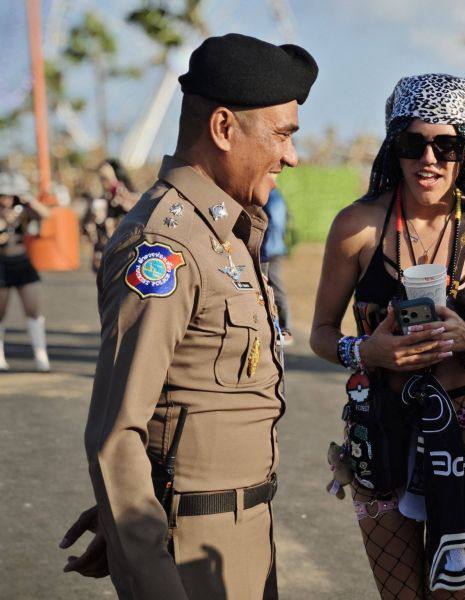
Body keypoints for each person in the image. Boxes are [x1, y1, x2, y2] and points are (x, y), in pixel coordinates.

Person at [58, 33, 318, 599]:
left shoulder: (223, 231)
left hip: (241, 534)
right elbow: (116, 432)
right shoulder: (164, 245)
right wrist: (145, 561)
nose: (291, 155)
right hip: (191, 548)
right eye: (282, 134)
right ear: (223, 128)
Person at [310, 73, 465, 599]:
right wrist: (365, 351)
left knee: (451, 592)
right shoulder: (357, 226)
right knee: (399, 594)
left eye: (446, 145)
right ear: (394, 147)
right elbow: (320, 334)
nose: (428, 159)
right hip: (379, 423)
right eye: (412, 144)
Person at [0, 171, 51, 372]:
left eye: (10, 195)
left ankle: (41, 355)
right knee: (1, 312)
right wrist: (4, 221)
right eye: (3, 195)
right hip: (1, 264)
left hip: (22, 262)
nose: (7, 199)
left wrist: (28, 198)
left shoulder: (21, 210)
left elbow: (46, 214)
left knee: (33, 309)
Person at [260, 187, 293, 345]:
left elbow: (276, 222)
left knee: (276, 287)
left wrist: (267, 244)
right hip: (271, 248)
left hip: (270, 250)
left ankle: (285, 328)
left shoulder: (271, 196)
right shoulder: (274, 195)